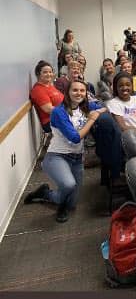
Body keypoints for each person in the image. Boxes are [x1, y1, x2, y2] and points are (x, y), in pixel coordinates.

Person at [24, 80, 105, 222]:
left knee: (72, 203)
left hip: (77, 158)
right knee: (68, 185)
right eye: (75, 90)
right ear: (67, 92)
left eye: (82, 90)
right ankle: (61, 206)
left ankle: (44, 193)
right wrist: (91, 119)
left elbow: (104, 106)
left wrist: (99, 110)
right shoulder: (58, 112)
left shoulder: (84, 107)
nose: (79, 93)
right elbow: (75, 138)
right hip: (56, 156)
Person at [30, 60, 64, 133]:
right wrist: (68, 112)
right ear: (38, 74)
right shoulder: (38, 90)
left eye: (50, 72)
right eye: (45, 72)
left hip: (61, 117)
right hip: (51, 121)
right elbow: (49, 109)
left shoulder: (49, 86)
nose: (49, 74)